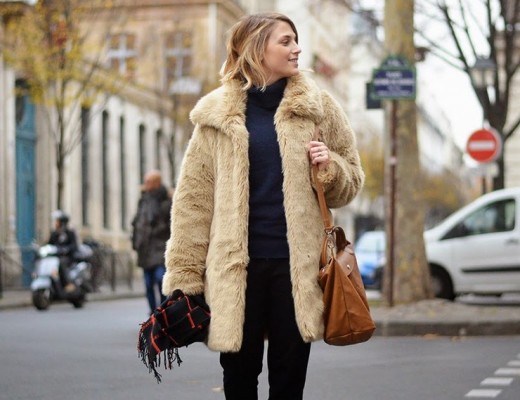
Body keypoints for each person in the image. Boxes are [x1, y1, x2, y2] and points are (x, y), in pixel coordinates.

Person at [162, 12, 364, 400]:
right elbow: (193, 203)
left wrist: (330, 167)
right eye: (285, 41)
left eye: (296, 40)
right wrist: (185, 277)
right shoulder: (217, 116)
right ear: (256, 49)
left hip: (297, 269)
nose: (297, 48)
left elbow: (351, 182)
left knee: (289, 379)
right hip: (235, 270)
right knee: (239, 378)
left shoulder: (319, 108)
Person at [131, 170, 172, 314]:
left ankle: (163, 310)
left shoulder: (166, 202)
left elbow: (170, 225)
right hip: (145, 248)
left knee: (161, 280)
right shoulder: (143, 201)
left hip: (160, 248)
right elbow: (137, 222)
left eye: (148, 181)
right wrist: (135, 241)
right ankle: (153, 312)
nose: (146, 184)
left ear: (157, 183)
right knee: (148, 284)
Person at [48, 210, 78, 291]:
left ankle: (68, 283)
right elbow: (49, 244)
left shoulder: (70, 233)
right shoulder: (54, 233)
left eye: (57, 221)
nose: (56, 223)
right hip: (55, 257)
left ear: (62, 222)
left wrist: (66, 249)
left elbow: (74, 246)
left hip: (67, 257)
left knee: (61, 262)